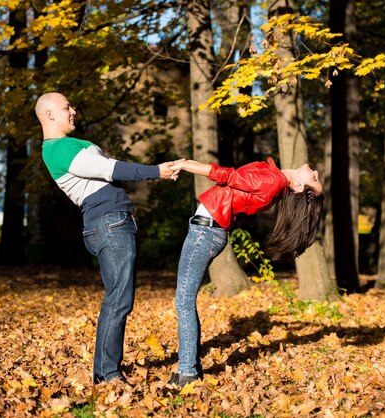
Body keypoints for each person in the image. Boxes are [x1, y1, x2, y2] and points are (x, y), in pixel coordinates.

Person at [35, 92, 179, 384]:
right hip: (109, 223)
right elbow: (109, 168)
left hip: (113, 222)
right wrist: (156, 172)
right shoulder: (57, 148)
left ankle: (107, 370)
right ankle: (107, 373)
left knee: (120, 297)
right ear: (49, 114)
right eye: (66, 108)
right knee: (119, 298)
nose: (73, 111)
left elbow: (105, 166)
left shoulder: (68, 145)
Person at [166, 157, 324, 387]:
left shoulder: (271, 182)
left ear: (299, 187)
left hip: (205, 233)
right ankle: (189, 369)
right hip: (205, 231)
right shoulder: (273, 179)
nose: (316, 171)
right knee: (184, 300)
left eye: (315, 179)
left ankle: (187, 372)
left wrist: (185, 165)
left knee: (184, 301)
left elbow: (227, 176)